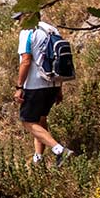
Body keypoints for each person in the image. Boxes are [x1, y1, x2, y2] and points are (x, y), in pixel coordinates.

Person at [15, 16, 76, 164]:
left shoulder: (27, 32)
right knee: (41, 120)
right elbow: (58, 59)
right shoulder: (52, 29)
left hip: (35, 85)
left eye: (19, 18)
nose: (18, 22)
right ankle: (38, 158)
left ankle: (60, 150)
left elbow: (26, 60)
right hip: (53, 83)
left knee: (28, 122)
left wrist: (19, 86)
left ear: (27, 16)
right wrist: (59, 87)